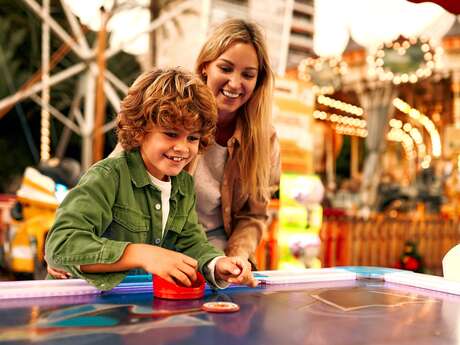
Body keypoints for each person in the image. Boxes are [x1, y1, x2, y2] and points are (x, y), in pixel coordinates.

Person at [44, 68, 257, 291]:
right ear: (140, 130)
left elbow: (192, 243)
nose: (182, 148)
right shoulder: (108, 176)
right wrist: (142, 254)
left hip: (128, 307)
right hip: (76, 306)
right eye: (171, 134)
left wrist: (217, 264)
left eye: (192, 138)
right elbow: (60, 246)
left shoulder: (182, 185)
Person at [191, 19, 280, 264]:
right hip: (166, 256)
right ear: (205, 67)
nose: (235, 83)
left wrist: (237, 257)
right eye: (226, 68)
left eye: (248, 74)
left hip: (220, 259)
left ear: (258, 80)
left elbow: (253, 216)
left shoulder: (265, 139)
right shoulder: (170, 115)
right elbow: (116, 175)